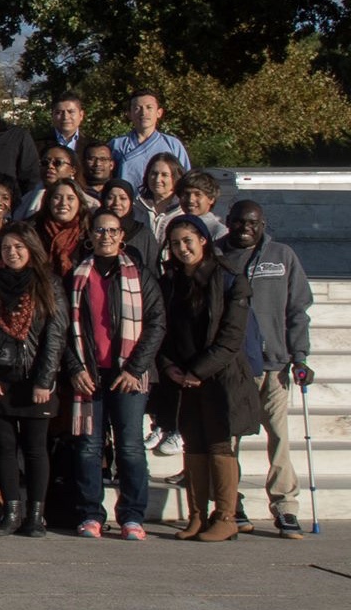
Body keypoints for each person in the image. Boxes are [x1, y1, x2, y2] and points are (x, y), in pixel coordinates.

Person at [59, 210, 166, 541]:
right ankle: (91, 514)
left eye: (112, 231)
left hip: (128, 376)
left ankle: (132, 516)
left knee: (130, 447)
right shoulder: (76, 275)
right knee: (88, 447)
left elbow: (156, 322)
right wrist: (74, 368)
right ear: (90, 236)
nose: (106, 236)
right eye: (99, 230)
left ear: (122, 236)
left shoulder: (140, 275)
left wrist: (135, 369)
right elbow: (62, 327)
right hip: (90, 374)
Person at [156, 215, 263, 542]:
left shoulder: (230, 278)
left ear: (204, 240)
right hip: (182, 379)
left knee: (219, 444)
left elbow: (232, 337)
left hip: (220, 378)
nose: (182, 248)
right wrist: (169, 365)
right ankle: (198, 516)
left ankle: (226, 516)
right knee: (193, 445)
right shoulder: (170, 281)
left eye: (188, 240)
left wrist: (198, 371)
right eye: (175, 243)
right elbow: (160, 330)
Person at [219, 201, 314, 538]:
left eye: (253, 222)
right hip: (234, 365)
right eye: (239, 221)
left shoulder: (282, 255)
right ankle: (233, 500)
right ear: (227, 223)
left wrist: (299, 355)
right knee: (229, 440)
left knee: (279, 438)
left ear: (263, 224)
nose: (246, 227)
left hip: (276, 365)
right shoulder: (217, 255)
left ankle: (286, 508)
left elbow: (298, 308)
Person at [0, 224, 68, 537]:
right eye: (6, 248)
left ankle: (35, 514)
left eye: (18, 247)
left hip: (34, 377)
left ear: (31, 249)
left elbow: (55, 335)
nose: (12, 253)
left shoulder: (48, 283)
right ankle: (11, 510)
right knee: (3, 447)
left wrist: (45, 380)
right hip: (0, 377)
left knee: (35, 449)